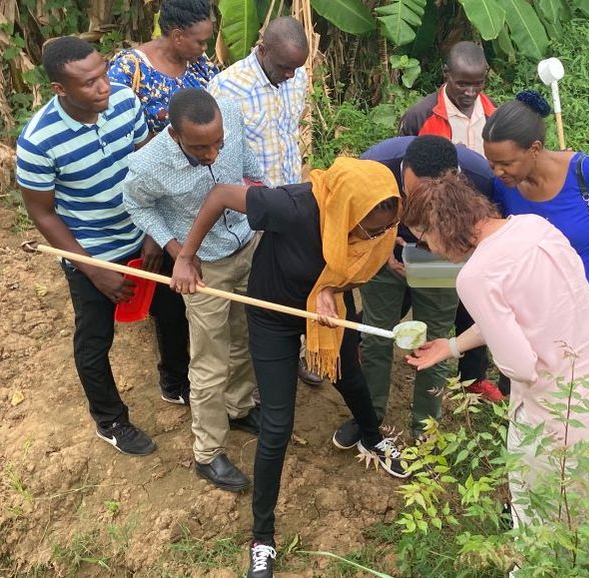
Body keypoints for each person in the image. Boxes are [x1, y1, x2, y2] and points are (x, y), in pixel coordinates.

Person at [170, 157, 410, 578]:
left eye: (384, 229)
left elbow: (359, 264)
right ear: (345, 210)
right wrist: (187, 257)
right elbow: (220, 194)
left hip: (328, 310)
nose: (376, 237)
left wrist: (331, 289)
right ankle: (262, 538)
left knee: (350, 378)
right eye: (369, 229)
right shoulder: (293, 206)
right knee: (278, 426)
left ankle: (372, 439)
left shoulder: (381, 224)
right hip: (274, 317)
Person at [402, 173, 589, 530]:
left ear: (440, 228)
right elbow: (528, 314)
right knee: (579, 499)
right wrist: (451, 346)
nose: (429, 250)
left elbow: (521, 365)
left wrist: (501, 352)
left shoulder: (476, 276)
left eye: (423, 240)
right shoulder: (534, 226)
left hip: (558, 414)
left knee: (544, 518)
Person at [15, 36, 189, 455]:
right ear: (60, 89)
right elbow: (44, 214)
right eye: (89, 82)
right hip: (90, 251)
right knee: (94, 341)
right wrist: (94, 271)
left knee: (172, 313)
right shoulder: (38, 141)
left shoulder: (126, 101)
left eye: (103, 74)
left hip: (143, 235)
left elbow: (149, 166)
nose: (104, 87)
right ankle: (110, 420)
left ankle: (176, 383)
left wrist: (153, 233)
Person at [482, 91, 589, 452]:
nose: (497, 172)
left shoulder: (588, 175)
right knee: (561, 405)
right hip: (548, 317)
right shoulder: (505, 188)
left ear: (534, 149)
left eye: (506, 163)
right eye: (492, 163)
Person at [122, 89, 263, 491]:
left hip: (248, 245)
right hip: (204, 267)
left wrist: (264, 208)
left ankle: (239, 407)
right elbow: (137, 205)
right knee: (209, 360)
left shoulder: (229, 113)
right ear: (175, 134)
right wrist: (177, 252)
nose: (213, 154)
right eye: (200, 148)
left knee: (246, 336)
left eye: (218, 143)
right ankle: (208, 452)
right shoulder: (148, 165)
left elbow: (249, 168)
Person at [330, 135, 501, 448]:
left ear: (455, 180)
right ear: (402, 171)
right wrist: (382, 245)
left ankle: (426, 429)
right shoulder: (374, 166)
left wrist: (440, 252)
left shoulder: (480, 178)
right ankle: (369, 417)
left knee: (436, 341)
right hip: (383, 256)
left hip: (443, 260)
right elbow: (349, 217)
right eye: (412, 193)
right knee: (376, 335)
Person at [207, 16, 322, 387]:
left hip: (293, 203)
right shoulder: (226, 87)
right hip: (252, 212)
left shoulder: (296, 78)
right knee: (258, 292)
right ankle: (259, 371)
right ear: (262, 49)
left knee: (298, 281)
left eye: (296, 68)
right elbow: (218, 158)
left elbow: (291, 133)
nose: (290, 75)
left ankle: (297, 353)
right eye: (284, 66)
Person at [108, 0, 218, 134]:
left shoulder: (197, 61)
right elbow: (117, 127)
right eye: (201, 42)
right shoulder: (130, 69)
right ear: (177, 37)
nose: (205, 48)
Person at [398, 41, 496, 157]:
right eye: (462, 84)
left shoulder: (494, 112)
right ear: (446, 73)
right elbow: (403, 161)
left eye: (478, 84)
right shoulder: (419, 117)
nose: (470, 93)